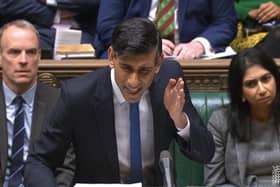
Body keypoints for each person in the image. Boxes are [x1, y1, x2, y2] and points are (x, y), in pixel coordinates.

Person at [24, 17, 215, 187]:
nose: (134, 81)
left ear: (158, 64)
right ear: (112, 57)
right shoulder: (78, 95)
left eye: (144, 70)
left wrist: (179, 118)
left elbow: (206, 153)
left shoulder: (170, 81)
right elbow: (39, 161)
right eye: (126, 68)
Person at [0, 20, 75, 187]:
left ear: (39, 56)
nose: (23, 60)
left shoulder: (61, 102)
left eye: (31, 52)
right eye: (14, 52)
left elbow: (67, 168)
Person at [204, 47, 280, 186]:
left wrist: (275, 182)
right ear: (240, 92)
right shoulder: (221, 122)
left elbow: (276, 169)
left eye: (266, 79)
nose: (262, 90)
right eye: (251, 84)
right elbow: (214, 183)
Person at [94, 0, 237, 59]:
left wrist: (199, 44)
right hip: (133, 55)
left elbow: (225, 22)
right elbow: (108, 25)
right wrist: (146, 42)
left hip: (192, 61)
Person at [0, 0, 99, 54]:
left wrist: (49, 1)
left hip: (85, 35)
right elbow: (6, 3)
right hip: (36, 34)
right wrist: (55, 14)